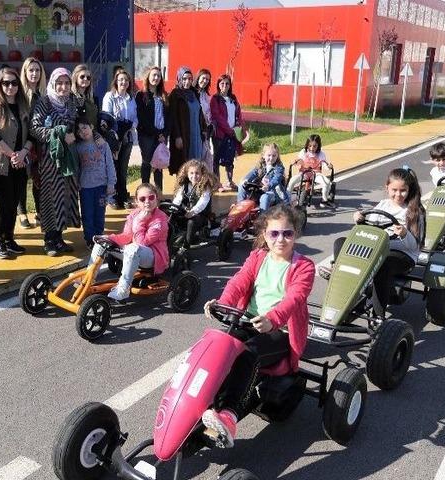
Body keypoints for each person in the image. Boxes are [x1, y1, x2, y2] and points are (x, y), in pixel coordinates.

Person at [201, 204, 314, 447]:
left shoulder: (304, 266)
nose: (281, 239)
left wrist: (272, 319)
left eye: (287, 233)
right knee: (217, 348)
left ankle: (229, 414)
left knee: (247, 353)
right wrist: (222, 304)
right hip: (249, 321)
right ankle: (203, 405)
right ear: (264, 234)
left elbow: (294, 299)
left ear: (296, 234)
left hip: (280, 332)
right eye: (274, 234)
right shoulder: (258, 257)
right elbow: (238, 282)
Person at [321, 168, 424, 318]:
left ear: (409, 190)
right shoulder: (383, 205)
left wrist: (404, 234)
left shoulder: (414, 211)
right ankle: (339, 274)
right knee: (341, 243)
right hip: (376, 249)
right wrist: (360, 219)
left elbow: (414, 246)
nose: (398, 194)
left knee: (382, 265)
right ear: (387, 188)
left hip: (403, 253)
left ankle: (378, 315)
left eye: (403, 191)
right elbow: (369, 228)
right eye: (394, 190)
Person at [29, 67, 82, 257]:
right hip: (51, 159)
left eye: (67, 83)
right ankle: (49, 240)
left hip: (69, 157)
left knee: (66, 196)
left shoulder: (71, 102)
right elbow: (35, 128)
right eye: (59, 83)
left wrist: (74, 134)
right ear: (53, 83)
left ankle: (59, 238)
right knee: (51, 197)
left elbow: (75, 123)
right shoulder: (45, 101)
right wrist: (58, 134)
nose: (63, 86)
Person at [90, 183, 170, 301]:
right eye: (142, 199)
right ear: (137, 202)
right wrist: (109, 238)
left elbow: (142, 242)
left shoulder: (160, 219)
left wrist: (140, 222)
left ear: (156, 198)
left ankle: (123, 289)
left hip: (154, 257)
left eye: (151, 197)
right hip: (134, 250)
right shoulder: (134, 214)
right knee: (101, 243)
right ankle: (88, 279)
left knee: (133, 248)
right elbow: (126, 236)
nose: (147, 201)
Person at [0, 67, 32, 260]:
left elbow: (32, 134)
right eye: (6, 83)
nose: (10, 87)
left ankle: (9, 238)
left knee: (14, 203)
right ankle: (0, 242)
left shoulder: (24, 106)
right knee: (4, 204)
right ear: (0, 85)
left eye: (13, 83)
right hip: (2, 164)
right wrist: (13, 155)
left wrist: (23, 153)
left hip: (21, 163)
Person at [73, 116, 116, 249]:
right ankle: (90, 239)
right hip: (86, 187)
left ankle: (99, 235)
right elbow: (77, 167)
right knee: (87, 214)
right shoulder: (78, 147)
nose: (83, 132)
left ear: (91, 127)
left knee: (100, 212)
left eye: (85, 128)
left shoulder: (103, 144)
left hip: (102, 186)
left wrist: (111, 184)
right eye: (79, 131)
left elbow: (110, 164)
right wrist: (77, 182)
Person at [18, 57, 48, 229]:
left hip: (40, 143)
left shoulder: (44, 94)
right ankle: (22, 212)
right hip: (23, 143)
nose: (34, 74)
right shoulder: (20, 93)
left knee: (39, 178)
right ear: (25, 72)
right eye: (31, 70)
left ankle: (39, 212)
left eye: (37, 70)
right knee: (22, 179)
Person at [102, 68, 138, 209]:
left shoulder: (131, 99)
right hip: (114, 138)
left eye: (126, 80)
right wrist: (118, 127)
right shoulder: (109, 96)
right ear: (116, 81)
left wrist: (130, 126)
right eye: (121, 79)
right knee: (113, 168)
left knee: (123, 168)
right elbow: (107, 116)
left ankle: (122, 195)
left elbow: (135, 117)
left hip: (128, 137)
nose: (124, 82)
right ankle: (112, 197)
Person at [167, 67, 207, 177]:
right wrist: (177, 136)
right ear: (179, 78)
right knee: (183, 165)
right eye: (184, 78)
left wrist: (204, 129)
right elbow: (173, 117)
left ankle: (194, 190)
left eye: (190, 79)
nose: (187, 82)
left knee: (195, 165)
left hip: (196, 136)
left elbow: (200, 113)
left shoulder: (194, 93)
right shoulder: (175, 94)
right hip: (184, 135)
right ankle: (182, 191)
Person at [171, 160, 218, 248]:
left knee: (191, 222)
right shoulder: (185, 186)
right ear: (187, 174)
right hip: (186, 212)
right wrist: (173, 209)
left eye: (197, 173)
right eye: (191, 173)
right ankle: (171, 240)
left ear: (202, 174)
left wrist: (192, 212)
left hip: (200, 215)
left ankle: (187, 244)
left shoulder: (205, 187)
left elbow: (202, 203)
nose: (194, 176)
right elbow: (178, 199)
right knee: (171, 218)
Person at [135, 66, 168, 190]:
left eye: (158, 76)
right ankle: (145, 191)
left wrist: (164, 133)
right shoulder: (141, 95)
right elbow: (142, 118)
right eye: (154, 75)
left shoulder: (164, 95)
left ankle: (158, 193)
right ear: (148, 77)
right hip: (147, 135)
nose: (156, 78)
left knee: (159, 165)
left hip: (161, 136)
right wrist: (156, 134)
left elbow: (168, 118)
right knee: (147, 162)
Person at [210, 74, 244, 191]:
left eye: (227, 83)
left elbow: (238, 114)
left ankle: (229, 181)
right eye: (222, 83)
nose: (224, 86)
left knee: (229, 159)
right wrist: (229, 131)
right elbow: (217, 117)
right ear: (218, 85)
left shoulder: (233, 99)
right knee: (217, 159)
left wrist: (238, 127)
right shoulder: (215, 99)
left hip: (233, 134)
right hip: (220, 134)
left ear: (230, 85)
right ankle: (217, 183)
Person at [237, 143, 289, 211]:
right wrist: (245, 179)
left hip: (273, 193)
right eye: (269, 155)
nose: (271, 158)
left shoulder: (279, 168)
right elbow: (253, 173)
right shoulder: (261, 166)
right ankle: (240, 209)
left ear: (277, 156)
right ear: (264, 155)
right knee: (241, 186)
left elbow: (277, 179)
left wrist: (268, 186)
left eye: (274, 156)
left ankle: (262, 217)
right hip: (259, 191)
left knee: (265, 197)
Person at [287, 134, 333, 207]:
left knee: (326, 183)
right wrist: (295, 162)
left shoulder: (321, 154)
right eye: (310, 146)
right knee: (292, 180)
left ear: (318, 146)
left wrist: (329, 167)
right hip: (304, 173)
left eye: (314, 146)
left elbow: (324, 165)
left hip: (316, 174)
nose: (312, 148)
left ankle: (324, 200)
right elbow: (299, 161)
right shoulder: (303, 152)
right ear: (307, 145)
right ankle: (287, 200)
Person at [71, 63, 99, 129]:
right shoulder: (70, 97)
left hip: (93, 133)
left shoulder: (93, 98)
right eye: (82, 76)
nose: (85, 79)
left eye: (88, 77)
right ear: (76, 78)